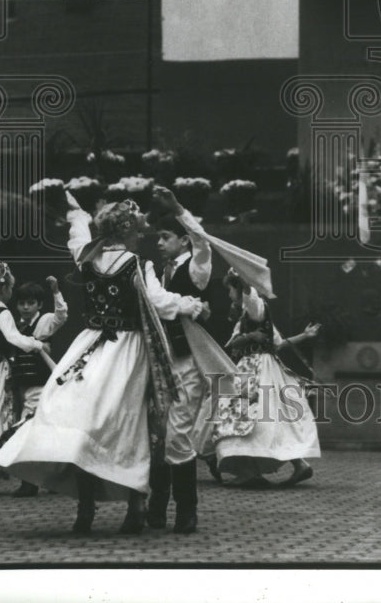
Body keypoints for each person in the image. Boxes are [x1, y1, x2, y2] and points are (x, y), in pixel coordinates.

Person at [0, 191, 208, 535]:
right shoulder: (138, 264)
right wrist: (192, 306)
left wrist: (77, 213)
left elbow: (77, 237)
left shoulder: (88, 258)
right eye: (137, 230)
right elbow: (159, 301)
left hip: (91, 345)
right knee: (130, 423)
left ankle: (88, 506)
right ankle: (135, 508)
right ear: (125, 231)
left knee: (80, 416)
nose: (141, 236)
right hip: (128, 349)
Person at [146, 199, 217, 533]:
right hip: (162, 362)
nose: (160, 243)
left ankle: (186, 511)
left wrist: (179, 209)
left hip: (188, 362)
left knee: (178, 435)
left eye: (165, 237)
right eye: (158, 238)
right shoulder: (161, 272)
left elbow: (203, 241)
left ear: (183, 239)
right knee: (160, 436)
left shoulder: (196, 268)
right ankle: (157, 507)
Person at [213, 269, 320, 486]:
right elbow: (278, 343)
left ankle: (252, 473)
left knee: (255, 418)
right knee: (271, 419)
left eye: (230, 290)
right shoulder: (251, 315)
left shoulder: (255, 308)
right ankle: (294, 465)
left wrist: (242, 275)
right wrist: (304, 335)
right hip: (259, 366)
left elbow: (250, 296)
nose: (229, 295)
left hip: (256, 367)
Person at [0, 263, 45, 496]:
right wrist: (36, 344)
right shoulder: (2, 312)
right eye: (11, 288)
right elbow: (14, 337)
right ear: (4, 289)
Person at [5, 277, 69, 496]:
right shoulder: (16, 325)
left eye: (30, 303)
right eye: (21, 303)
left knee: (29, 428)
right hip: (24, 384)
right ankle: (51, 479)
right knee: (39, 430)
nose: (25, 307)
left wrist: (56, 291)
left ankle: (31, 482)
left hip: (41, 382)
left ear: (39, 305)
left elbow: (61, 316)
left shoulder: (44, 322)